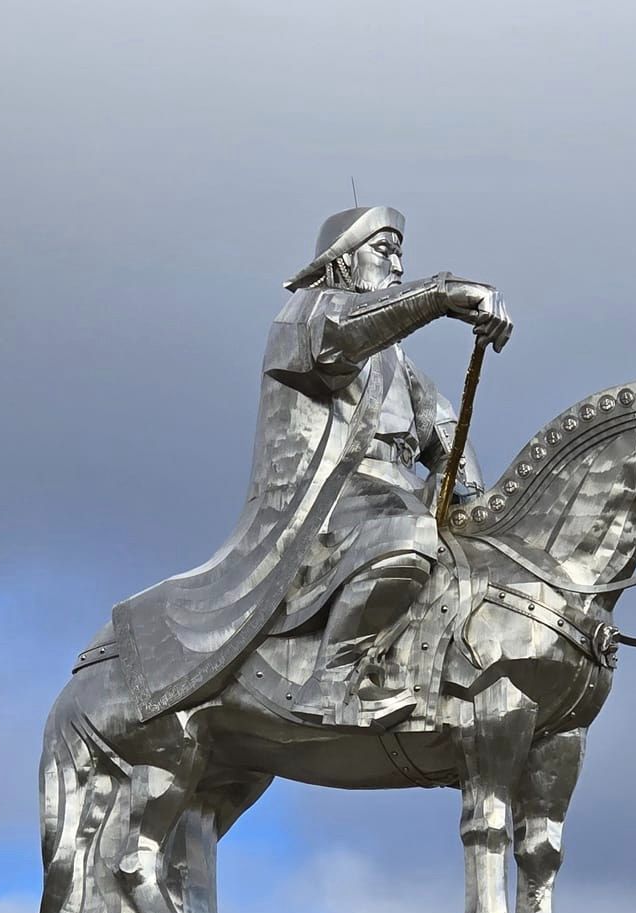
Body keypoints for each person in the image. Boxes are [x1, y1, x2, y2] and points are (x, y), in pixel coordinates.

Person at [111, 205, 511, 731]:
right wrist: (440, 294)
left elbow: (444, 430)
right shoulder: (306, 316)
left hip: (397, 493)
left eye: (400, 255)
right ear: (343, 263)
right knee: (409, 537)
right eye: (384, 251)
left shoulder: (400, 363)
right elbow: (344, 336)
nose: (395, 265)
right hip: (326, 500)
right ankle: (334, 681)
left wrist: (467, 494)